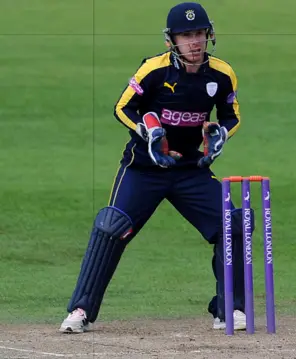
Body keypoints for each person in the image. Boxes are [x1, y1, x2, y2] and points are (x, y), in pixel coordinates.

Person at [59, 2, 251, 333]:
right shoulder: (153, 70)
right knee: (111, 226)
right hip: (144, 168)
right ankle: (81, 310)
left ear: (209, 35)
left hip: (189, 169)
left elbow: (231, 116)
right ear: (170, 41)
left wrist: (220, 133)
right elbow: (122, 108)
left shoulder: (221, 74)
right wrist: (146, 130)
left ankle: (229, 308)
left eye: (200, 34)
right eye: (186, 35)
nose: (194, 42)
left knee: (232, 225)